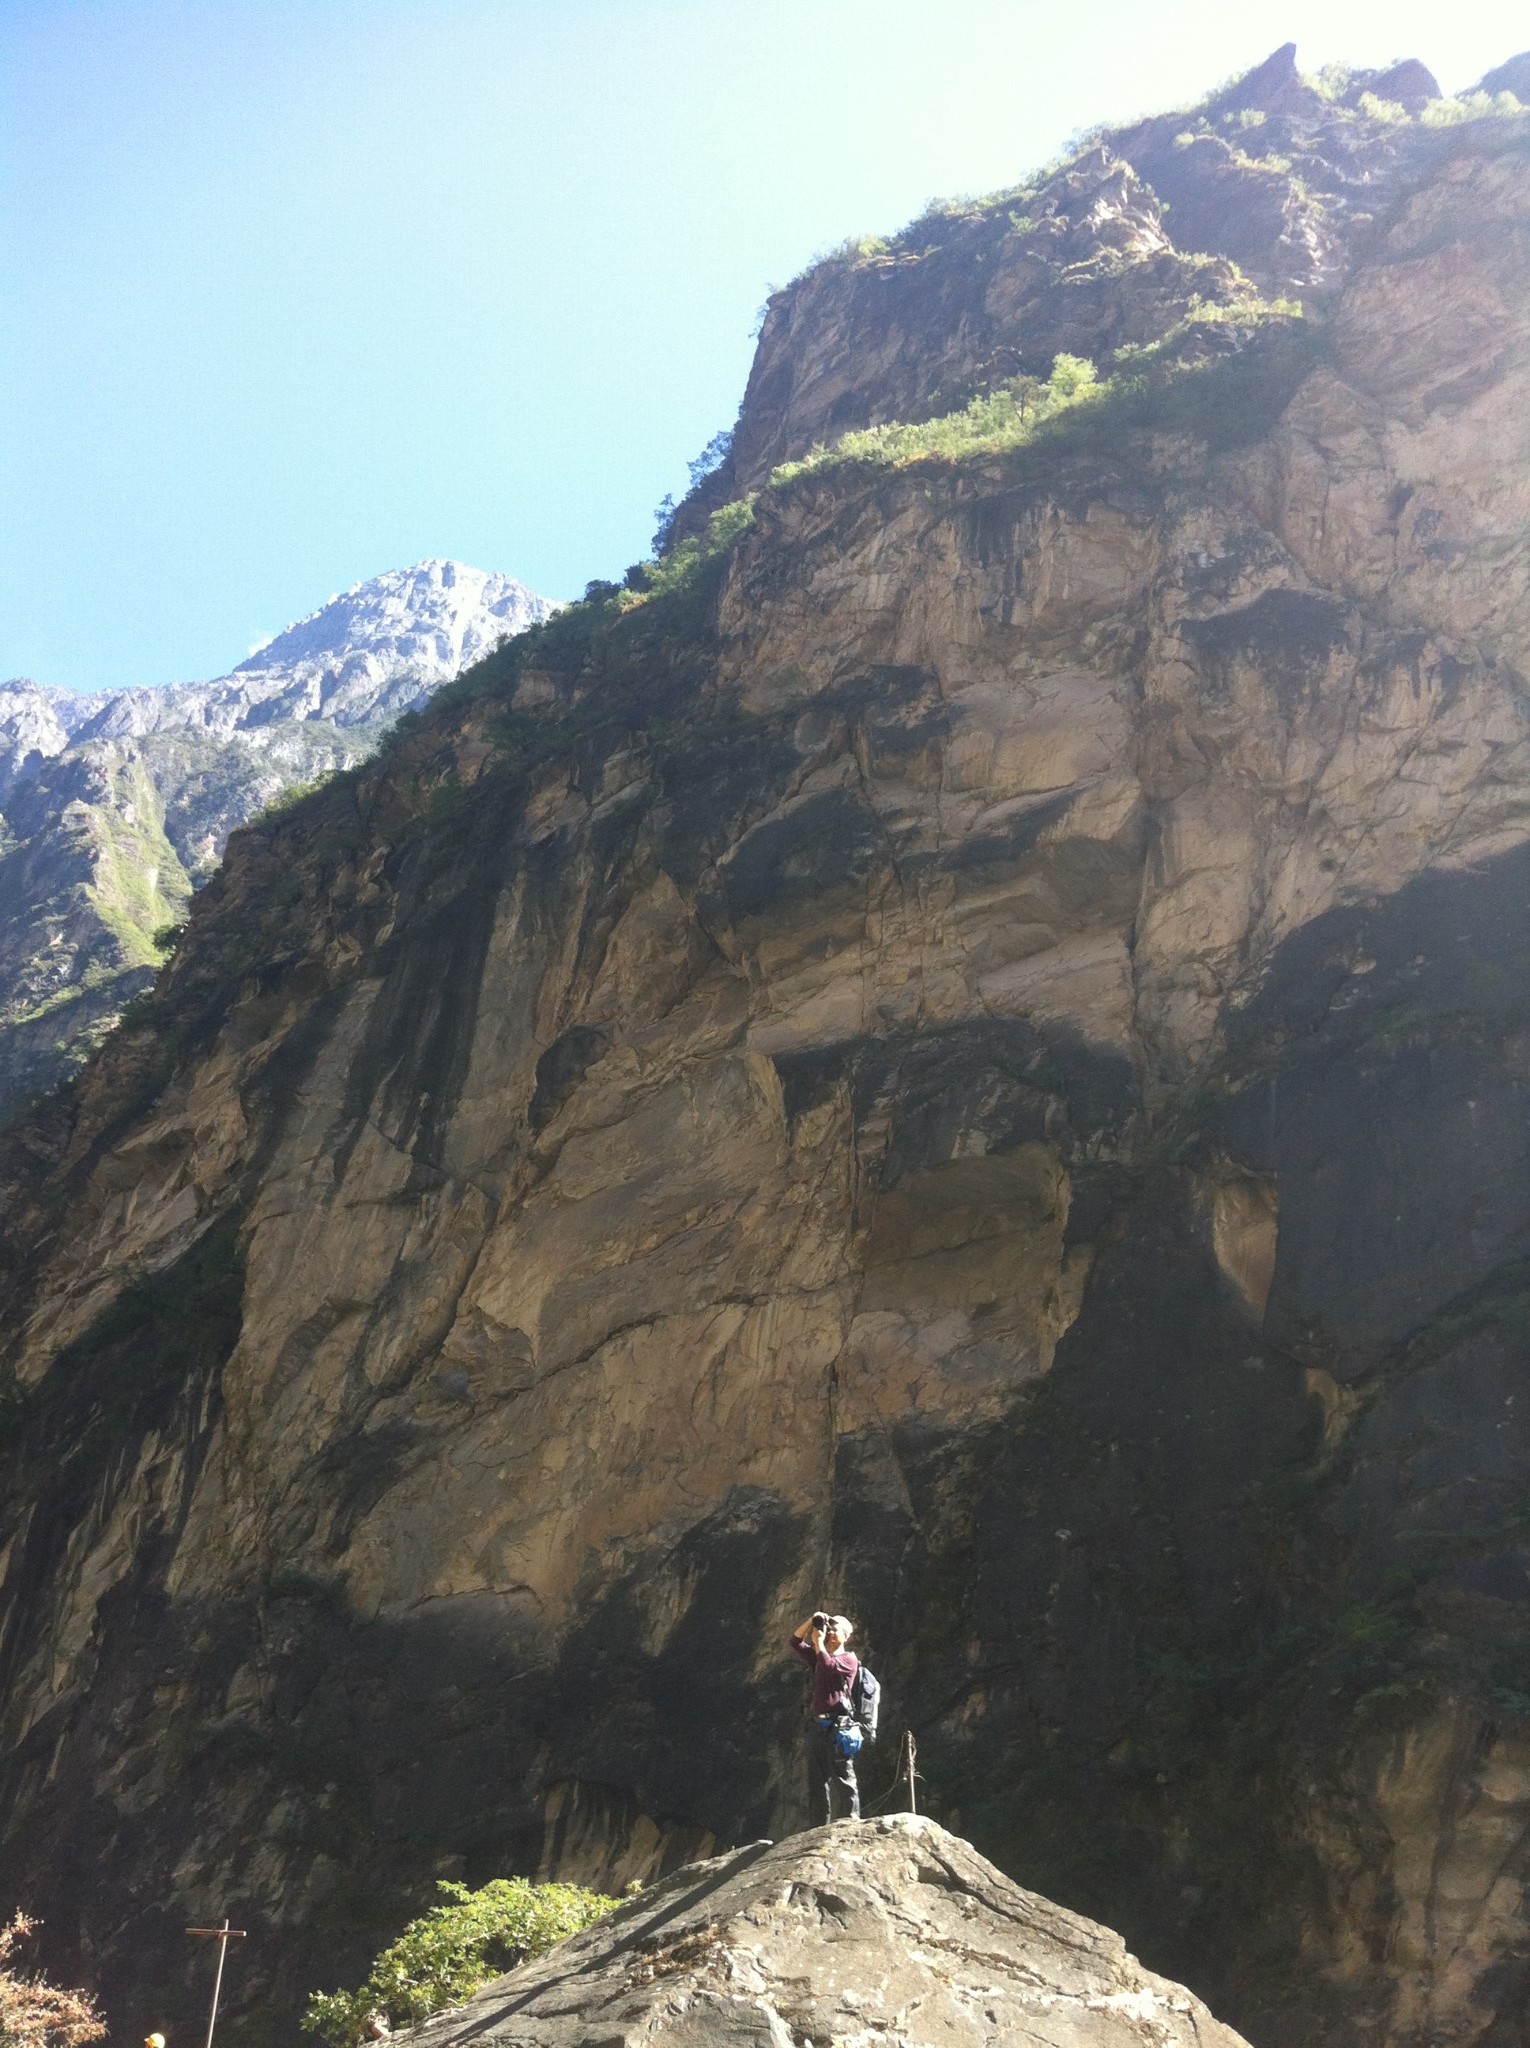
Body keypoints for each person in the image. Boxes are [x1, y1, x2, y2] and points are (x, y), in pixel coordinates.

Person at [791, 1609, 861, 1823]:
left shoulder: (849, 1659)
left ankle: (851, 1820)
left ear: (846, 1636)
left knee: (843, 1777)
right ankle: (819, 1826)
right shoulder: (819, 1657)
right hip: (817, 1725)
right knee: (817, 1781)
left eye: (835, 1629)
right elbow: (795, 1642)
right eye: (828, 1628)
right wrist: (811, 1621)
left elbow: (830, 1666)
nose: (830, 1631)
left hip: (839, 1725)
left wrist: (819, 1643)